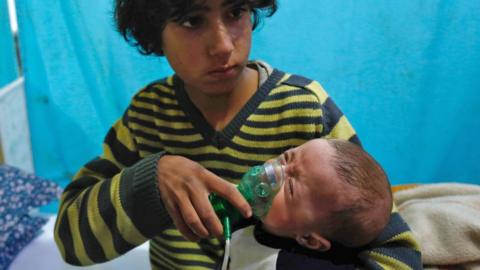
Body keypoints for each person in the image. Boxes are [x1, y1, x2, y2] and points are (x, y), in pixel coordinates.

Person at [54, 0, 421, 269]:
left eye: (235, 12)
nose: (224, 46)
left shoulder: (305, 109)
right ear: (153, 31)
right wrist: (152, 181)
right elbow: (72, 242)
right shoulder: (146, 117)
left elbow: (384, 236)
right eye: (191, 20)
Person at [228, 138, 395, 269]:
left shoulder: (292, 265)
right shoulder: (251, 212)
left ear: (309, 239)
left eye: (290, 187)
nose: (275, 170)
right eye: (286, 157)